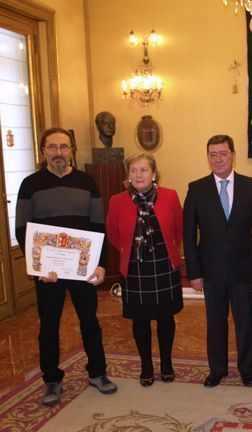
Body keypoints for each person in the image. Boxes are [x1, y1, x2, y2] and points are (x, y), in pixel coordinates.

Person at [15, 127, 117, 407]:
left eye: (63, 146)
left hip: (82, 269)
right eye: (52, 147)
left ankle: (97, 373)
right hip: (48, 273)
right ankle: (51, 379)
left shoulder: (87, 182)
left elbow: (98, 225)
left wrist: (101, 265)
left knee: (90, 322)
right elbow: (23, 228)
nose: (58, 152)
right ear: (43, 151)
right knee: (49, 326)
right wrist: (37, 268)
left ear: (71, 149)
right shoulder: (30, 185)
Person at [183, 135, 252, 387]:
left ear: (233, 155)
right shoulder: (196, 188)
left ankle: (247, 369)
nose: (218, 159)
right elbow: (189, 235)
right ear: (208, 157)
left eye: (223, 153)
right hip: (212, 272)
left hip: (244, 270)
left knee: (245, 324)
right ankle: (217, 369)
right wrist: (194, 273)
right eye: (213, 154)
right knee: (215, 324)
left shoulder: (251, 186)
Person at [106, 153, 183, 387]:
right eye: (133, 170)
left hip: (163, 265)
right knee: (140, 320)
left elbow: (179, 229)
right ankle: (146, 366)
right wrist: (127, 251)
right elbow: (113, 233)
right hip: (135, 267)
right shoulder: (117, 200)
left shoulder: (170, 196)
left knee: (165, 317)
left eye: (143, 170)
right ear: (128, 175)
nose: (138, 175)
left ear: (154, 173)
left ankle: (167, 363)